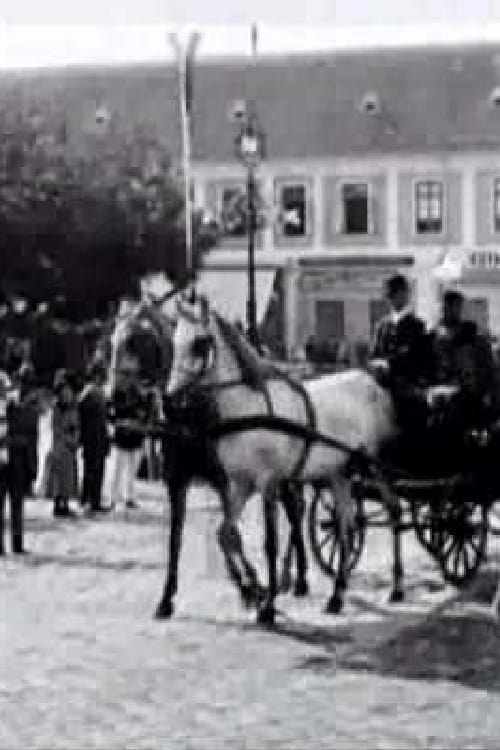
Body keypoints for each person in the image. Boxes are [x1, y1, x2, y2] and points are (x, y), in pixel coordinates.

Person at [369, 273, 431, 437]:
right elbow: (374, 353)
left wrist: (389, 363)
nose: (392, 300)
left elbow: (418, 358)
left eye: (396, 294)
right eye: (390, 296)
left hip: (407, 389)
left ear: (405, 295)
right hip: (383, 386)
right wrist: (376, 363)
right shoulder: (382, 326)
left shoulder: (417, 326)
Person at [428, 289, 499, 432]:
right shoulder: (431, 337)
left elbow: (489, 370)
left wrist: (489, 397)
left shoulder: (474, 337)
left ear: (459, 309)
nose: (446, 311)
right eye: (444, 307)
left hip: (468, 403)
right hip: (438, 404)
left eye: (453, 307)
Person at [108, 352, 150, 510]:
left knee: (132, 469)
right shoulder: (117, 393)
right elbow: (111, 413)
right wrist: (121, 421)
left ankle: (129, 497)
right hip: (122, 434)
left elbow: (145, 412)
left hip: (135, 434)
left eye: (133, 375)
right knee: (118, 467)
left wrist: (140, 420)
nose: (130, 378)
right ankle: (113, 497)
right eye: (127, 374)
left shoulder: (141, 394)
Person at [79, 362, 110, 514]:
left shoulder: (97, 392)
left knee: (96, 470)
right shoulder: (90, 392)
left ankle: (90, 499)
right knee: (93, 470)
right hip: (93, 438)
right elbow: (83, 417)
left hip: (99, 436)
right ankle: (91, 501)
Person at [50, 369, 80, 518]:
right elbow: (57, 429)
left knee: (68, 478)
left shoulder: (72, 406)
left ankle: (65, 505)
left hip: (70, 446)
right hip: (61, 446)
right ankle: (57, 506)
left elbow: (75, 425)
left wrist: (75, 438)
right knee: (59, 478)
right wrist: (69, 439)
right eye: (65, 392)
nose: (67, 394)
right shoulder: (57, 408)